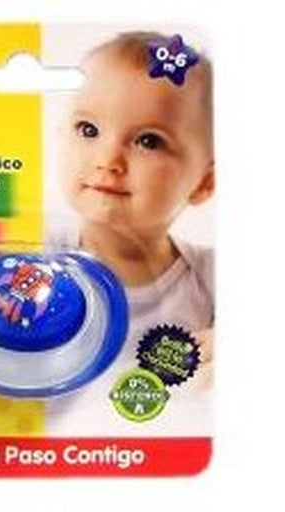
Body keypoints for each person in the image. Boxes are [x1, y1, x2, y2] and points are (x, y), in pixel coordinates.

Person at [46, 32, 214, 435]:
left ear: (204, 182)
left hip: (159, 449)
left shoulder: (209, 276)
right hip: (40, 448)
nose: (108, 159)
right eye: (88, 130)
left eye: (148, 141)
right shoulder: (40, 255)